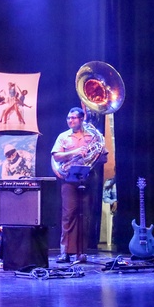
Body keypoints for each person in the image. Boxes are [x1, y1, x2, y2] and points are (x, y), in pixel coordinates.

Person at [50, 107, 103, 264]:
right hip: (69, 180)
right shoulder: (63, 136)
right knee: (68, 215)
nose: (70, 120)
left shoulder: (93, 136)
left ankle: (81, 252)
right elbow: (56, 156)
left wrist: (95, 156)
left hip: (88, 179)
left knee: (85, 216)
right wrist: (75, 152)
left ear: (81, 119)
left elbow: (103, 155)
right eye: (68, 118)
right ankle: (65, 252)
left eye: (73, 118)